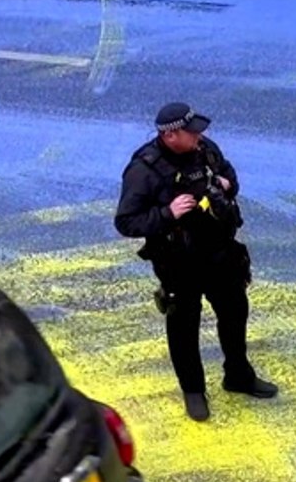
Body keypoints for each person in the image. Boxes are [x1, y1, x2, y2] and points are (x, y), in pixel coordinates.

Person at [114, 102, 278, 421]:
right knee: (184, 326)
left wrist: (227, 185)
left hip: (219, 252)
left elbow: (228, 174)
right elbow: (126, 222)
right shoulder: (144, 169)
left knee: (234, 312)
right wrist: (167, 213)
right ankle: (193, 390)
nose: (200, 137)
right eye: (192, 133)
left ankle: (238, 376)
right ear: (171, 135)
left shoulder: (205, 150)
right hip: (178, 262)